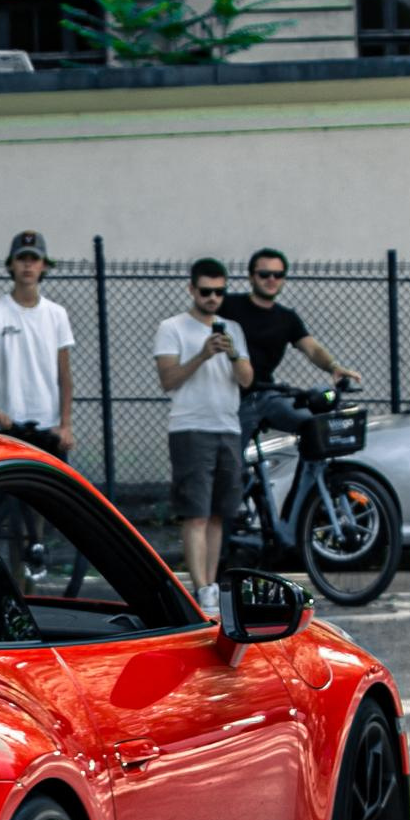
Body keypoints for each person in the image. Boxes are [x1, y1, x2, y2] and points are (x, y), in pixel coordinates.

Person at [155, 257, 253, 613]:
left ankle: (211, 584)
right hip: (190, 428)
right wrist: (201, 355)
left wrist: (232, 354)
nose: (214, 298)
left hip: (227, 426)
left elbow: (247, 380)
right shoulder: (172, 327)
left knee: (218, 514)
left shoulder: (233, 329)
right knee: (195, 513)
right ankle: (200, 589)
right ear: (192, 290)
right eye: (207, 292)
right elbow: (168, 380)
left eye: (220, 292)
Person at [0, 233, 75, 457]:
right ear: (11, 265)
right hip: (9, 426)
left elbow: (64, 374)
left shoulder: (57, 314)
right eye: (21, 259)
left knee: (52, 490)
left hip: (49, 427)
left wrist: (65, 425)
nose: (28, 265)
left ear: (44, 266)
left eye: (34, 259)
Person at [222, 247, 362, 393]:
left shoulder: (287, 318)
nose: (271, 279)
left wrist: (334, 367)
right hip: (225, 390)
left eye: (278, 275)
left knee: (304, 412)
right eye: (264, 274)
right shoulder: (228, 306)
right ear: (251, 277)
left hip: (262, 393)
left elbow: (312, 349)